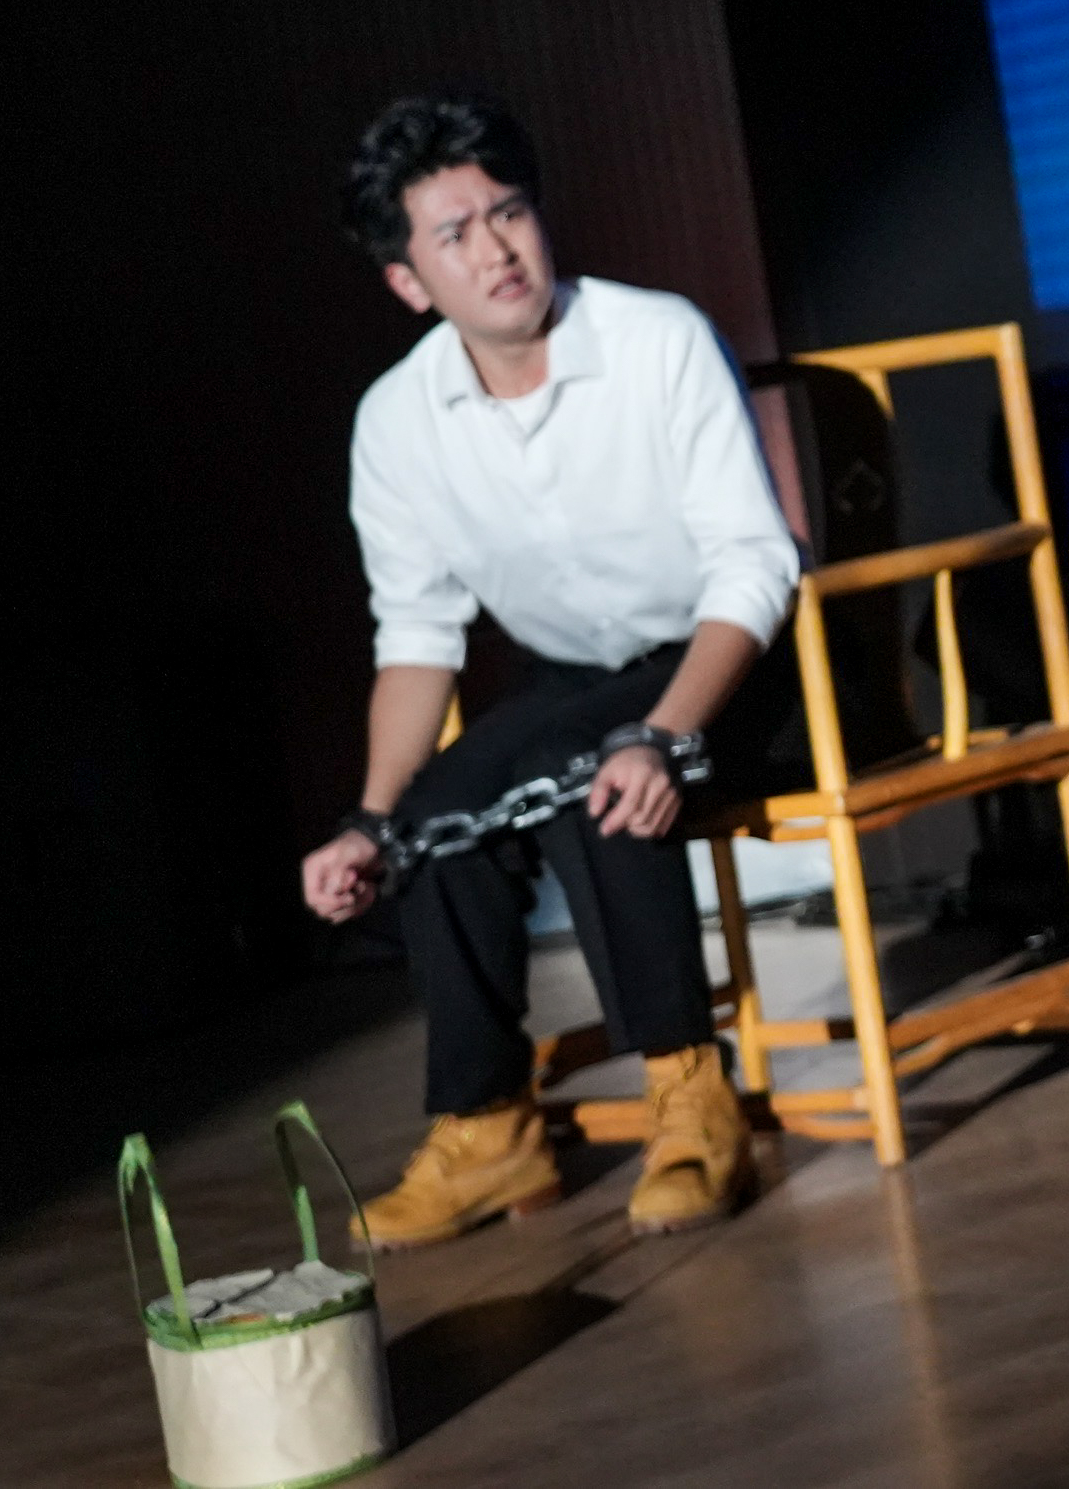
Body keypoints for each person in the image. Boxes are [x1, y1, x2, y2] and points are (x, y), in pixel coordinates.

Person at [294, 94, 799, 1242]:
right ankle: (488, 1131)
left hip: (739, 665)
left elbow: (754, 565)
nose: (497, 250)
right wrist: (368, 821)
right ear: (408, 281)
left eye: (508, 213)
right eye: (455, 235)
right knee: (435, 813)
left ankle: (691, 1101)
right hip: (580, 679)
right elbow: (416, 639)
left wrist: (664, 733)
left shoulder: (656, 339)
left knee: (593, 771)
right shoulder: (397, 421)